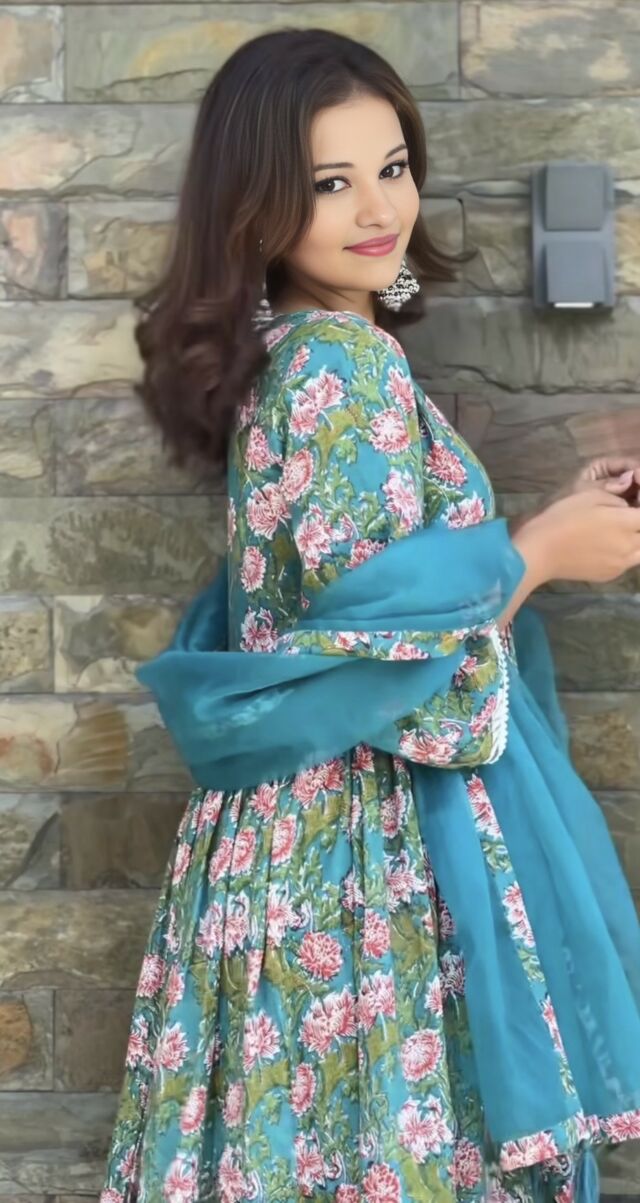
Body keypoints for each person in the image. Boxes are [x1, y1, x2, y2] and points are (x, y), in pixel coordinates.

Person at [99, 27, 640, 1203]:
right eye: (329, 183)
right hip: (355, 850)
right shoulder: (343, 367)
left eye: (391, 167)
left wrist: (541, 525)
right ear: (256, 207)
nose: (378, 208)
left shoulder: (292, 351)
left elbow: (375, 593)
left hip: (286, 836)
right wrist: (541, 553)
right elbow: (383, 665)